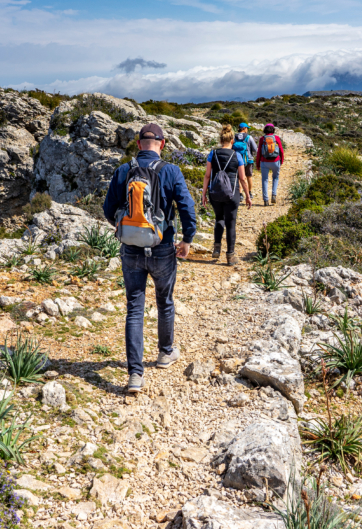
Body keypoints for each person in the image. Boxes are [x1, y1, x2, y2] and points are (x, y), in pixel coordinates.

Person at [103, 123, 196, 394]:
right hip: (163, 247)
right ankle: (165, 353)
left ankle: (135, 375)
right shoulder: (171, 171)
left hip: (130, 248)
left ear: (138, 144)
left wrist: (128, 230)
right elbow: (187, 208)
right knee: (164, 300)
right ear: (163, 144)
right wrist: (187, 239)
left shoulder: (123, 171)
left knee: (135, 307)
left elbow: (109, 211)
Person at [202, 125, 252, 265]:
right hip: (232, 193)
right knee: (231, 223)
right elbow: (242, 178)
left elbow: (207, 176)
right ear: (232, 141)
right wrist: (247, 195)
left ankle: (217, 248)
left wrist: (204, 194)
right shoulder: (237, 155)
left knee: (219, 219)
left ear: (220, 140)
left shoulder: (213, 153)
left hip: (215, 192)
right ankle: (230, 256)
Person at [255, 123, 286, 206]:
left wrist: (257, 164)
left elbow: (259, 153)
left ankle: (265, 200)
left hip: (264, 162)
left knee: (264, 180)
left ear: (265, 130)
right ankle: (274, 195)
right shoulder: (276, 138)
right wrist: (281, 161)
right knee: (275, 178)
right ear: (273, 130)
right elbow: (281, 151)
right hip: (276, 161)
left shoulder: (262, 138)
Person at [239, 123, 259, 200]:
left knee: (238, 177)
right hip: (248, 160)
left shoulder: (235, 136)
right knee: (249, 176)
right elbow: (255, 148)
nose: (247, 130)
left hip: (238, 160)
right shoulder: (249, 137)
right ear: (244, 128)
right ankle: (249, 193)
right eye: (247, 128)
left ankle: (240, 194)